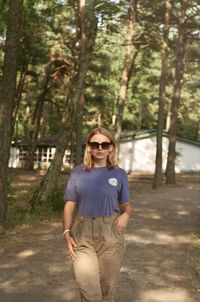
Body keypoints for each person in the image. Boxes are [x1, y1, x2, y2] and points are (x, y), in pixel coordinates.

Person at [63, 127, 133, 302]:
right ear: (89, 147)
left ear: (111, 147)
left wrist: (125, 215)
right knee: (88, 289)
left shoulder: (119, 174)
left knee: (108, 289)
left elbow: (126, 205)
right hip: (83, 234)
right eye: (95, 144)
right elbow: (70, 204)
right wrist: (66, 231)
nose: (99, 148)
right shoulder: (78, 173)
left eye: (104, 144)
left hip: (110, 233)